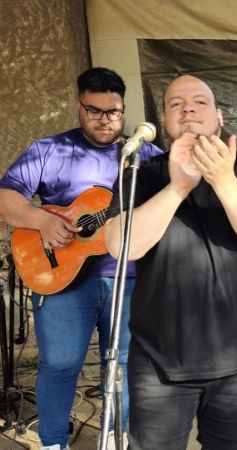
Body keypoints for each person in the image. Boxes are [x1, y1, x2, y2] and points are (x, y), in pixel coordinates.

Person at [104, 74, 237, 449]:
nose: (187, 107)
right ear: (164, 121)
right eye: (175, 103)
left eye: (200, 102)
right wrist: (178, 187)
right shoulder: (141, 173)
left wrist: (222, 179)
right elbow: (122, 247)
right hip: (158, 362)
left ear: (219, 117)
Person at [0, 67, 162, 449]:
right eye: (95, 111)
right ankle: (54, 442)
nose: (105, 120)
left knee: (121, 366)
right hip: (61, 278)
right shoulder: (49, 150)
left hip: (130, 277)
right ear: (78, 106)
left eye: (114, 112)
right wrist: (40, 221)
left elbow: (176, 199)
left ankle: (114, 436)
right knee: (58, 365)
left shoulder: (147, 157)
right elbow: (6, 198)